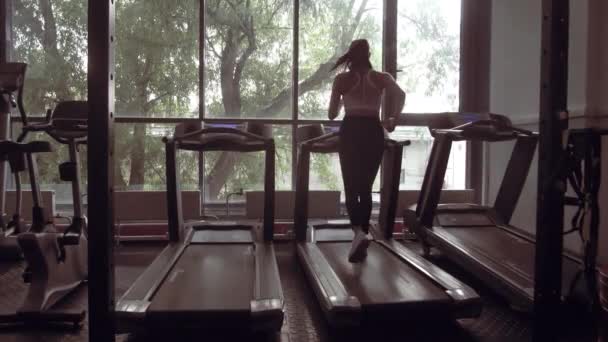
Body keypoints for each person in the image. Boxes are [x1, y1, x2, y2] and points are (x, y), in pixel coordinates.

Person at [328, 39, 405, 262]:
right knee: (365, 187)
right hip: (373, 130)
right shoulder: (381, 77)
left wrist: (343, 101)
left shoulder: (342, 79)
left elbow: (332, 114)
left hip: (351, 130)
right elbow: (401, 95)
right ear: (369, 53)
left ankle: (359, 234)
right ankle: (363, 233)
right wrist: (393, 119)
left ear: (350, 55)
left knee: (351, 187)